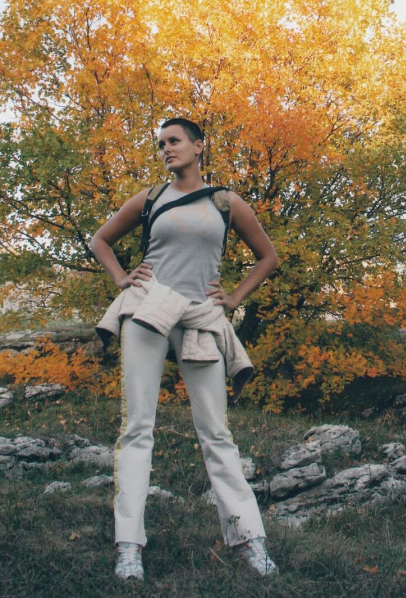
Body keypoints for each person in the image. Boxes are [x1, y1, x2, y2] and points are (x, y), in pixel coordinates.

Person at [90, 118, 279, 580]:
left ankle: (249, 540)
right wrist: (122, 278)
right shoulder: (151, 198)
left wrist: (233, 299)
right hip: (148, 310)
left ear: (198, 146)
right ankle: (129, 547)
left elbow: (268, 257)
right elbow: (100, 240)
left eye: (174, 141)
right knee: (137, 428)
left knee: (216, 432)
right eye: (161, 144)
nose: (166, 149)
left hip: (200, 318)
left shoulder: (225, 202)